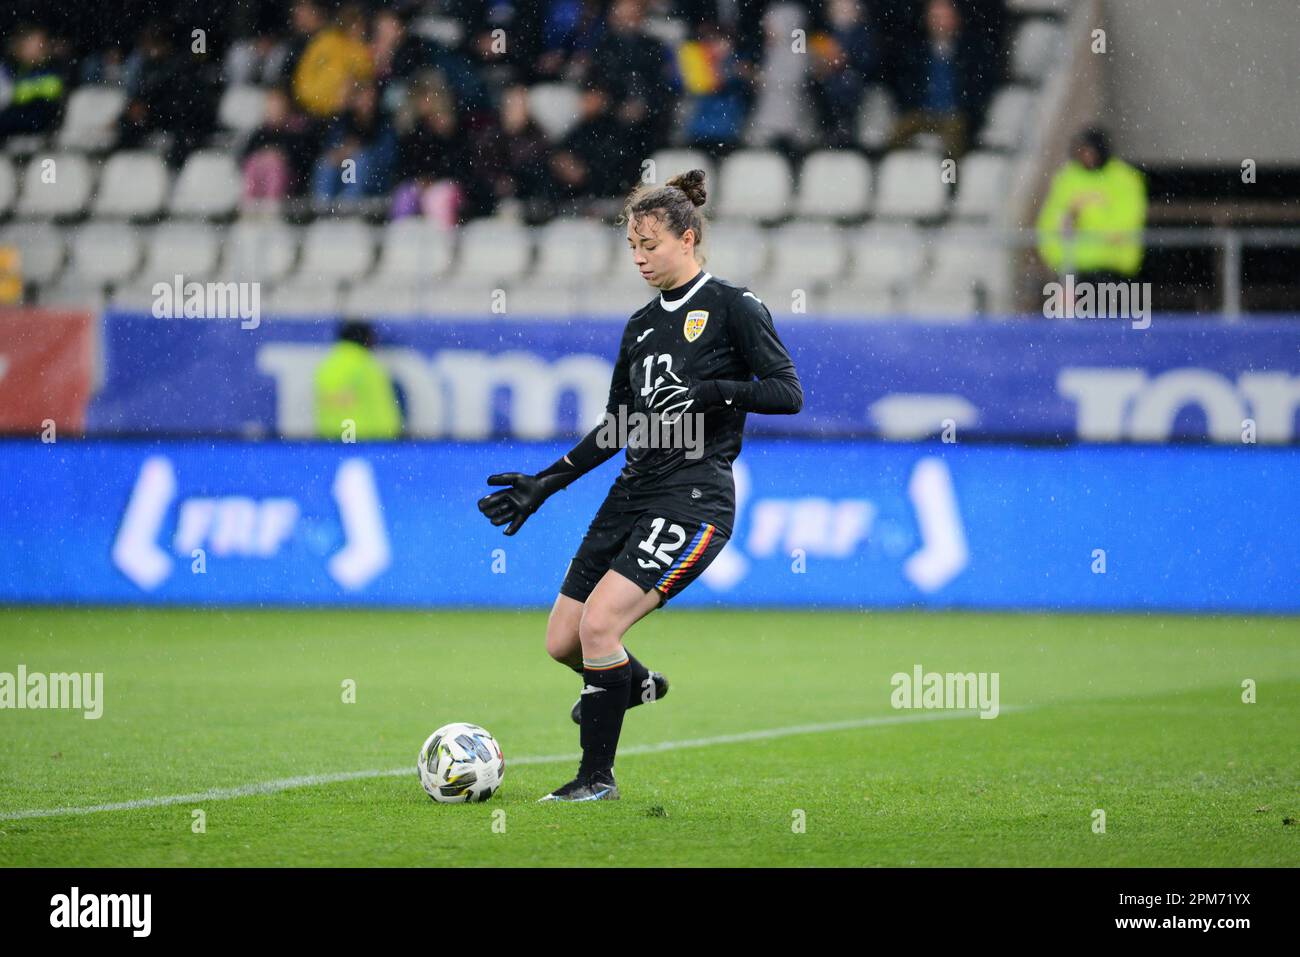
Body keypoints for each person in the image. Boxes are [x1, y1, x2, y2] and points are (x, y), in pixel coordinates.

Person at [477, 170, 803, 802]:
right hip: (631, 490)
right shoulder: (641, 326)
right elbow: (619, 426)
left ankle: (595, 779)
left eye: (649, 244)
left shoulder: (735, 307)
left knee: (600, 627)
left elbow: (787, 392)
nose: (638, 258)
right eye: (631, 246)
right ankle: (634, 683)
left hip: (693, 494)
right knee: (561, 641)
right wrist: (547, 483)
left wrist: (713, 392)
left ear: (687, 238)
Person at [1036, 126, 1148, 291]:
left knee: (1111, 314)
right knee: (1068, 313)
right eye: (1082, 152)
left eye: (1090, 152)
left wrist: (1086, 212)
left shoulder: (1124, 178)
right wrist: (1056, 257)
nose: (1086, 157)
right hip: (1071, 272)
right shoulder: (1066, 178)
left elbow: (1126, 223)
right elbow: (1051, 223)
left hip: (1114, 271)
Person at [314, 320, 402, 440]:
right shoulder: (362, 363)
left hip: (343, 439)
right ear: (365, 338)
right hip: (365, 438)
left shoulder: (330, 364)